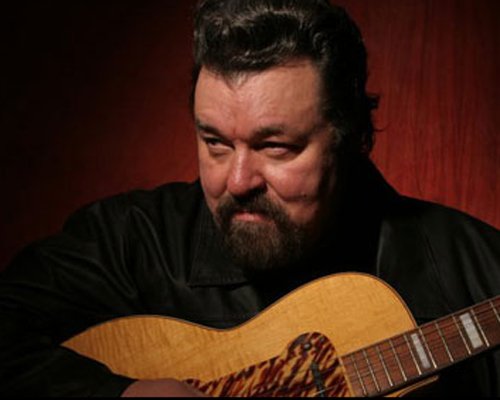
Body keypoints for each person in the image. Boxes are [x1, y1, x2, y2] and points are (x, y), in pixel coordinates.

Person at [1, 0, 499, 397]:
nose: (237, 181)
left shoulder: (476, 269)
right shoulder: (134, 242)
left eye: (275, 147)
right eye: (215, 142)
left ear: (351, 139)